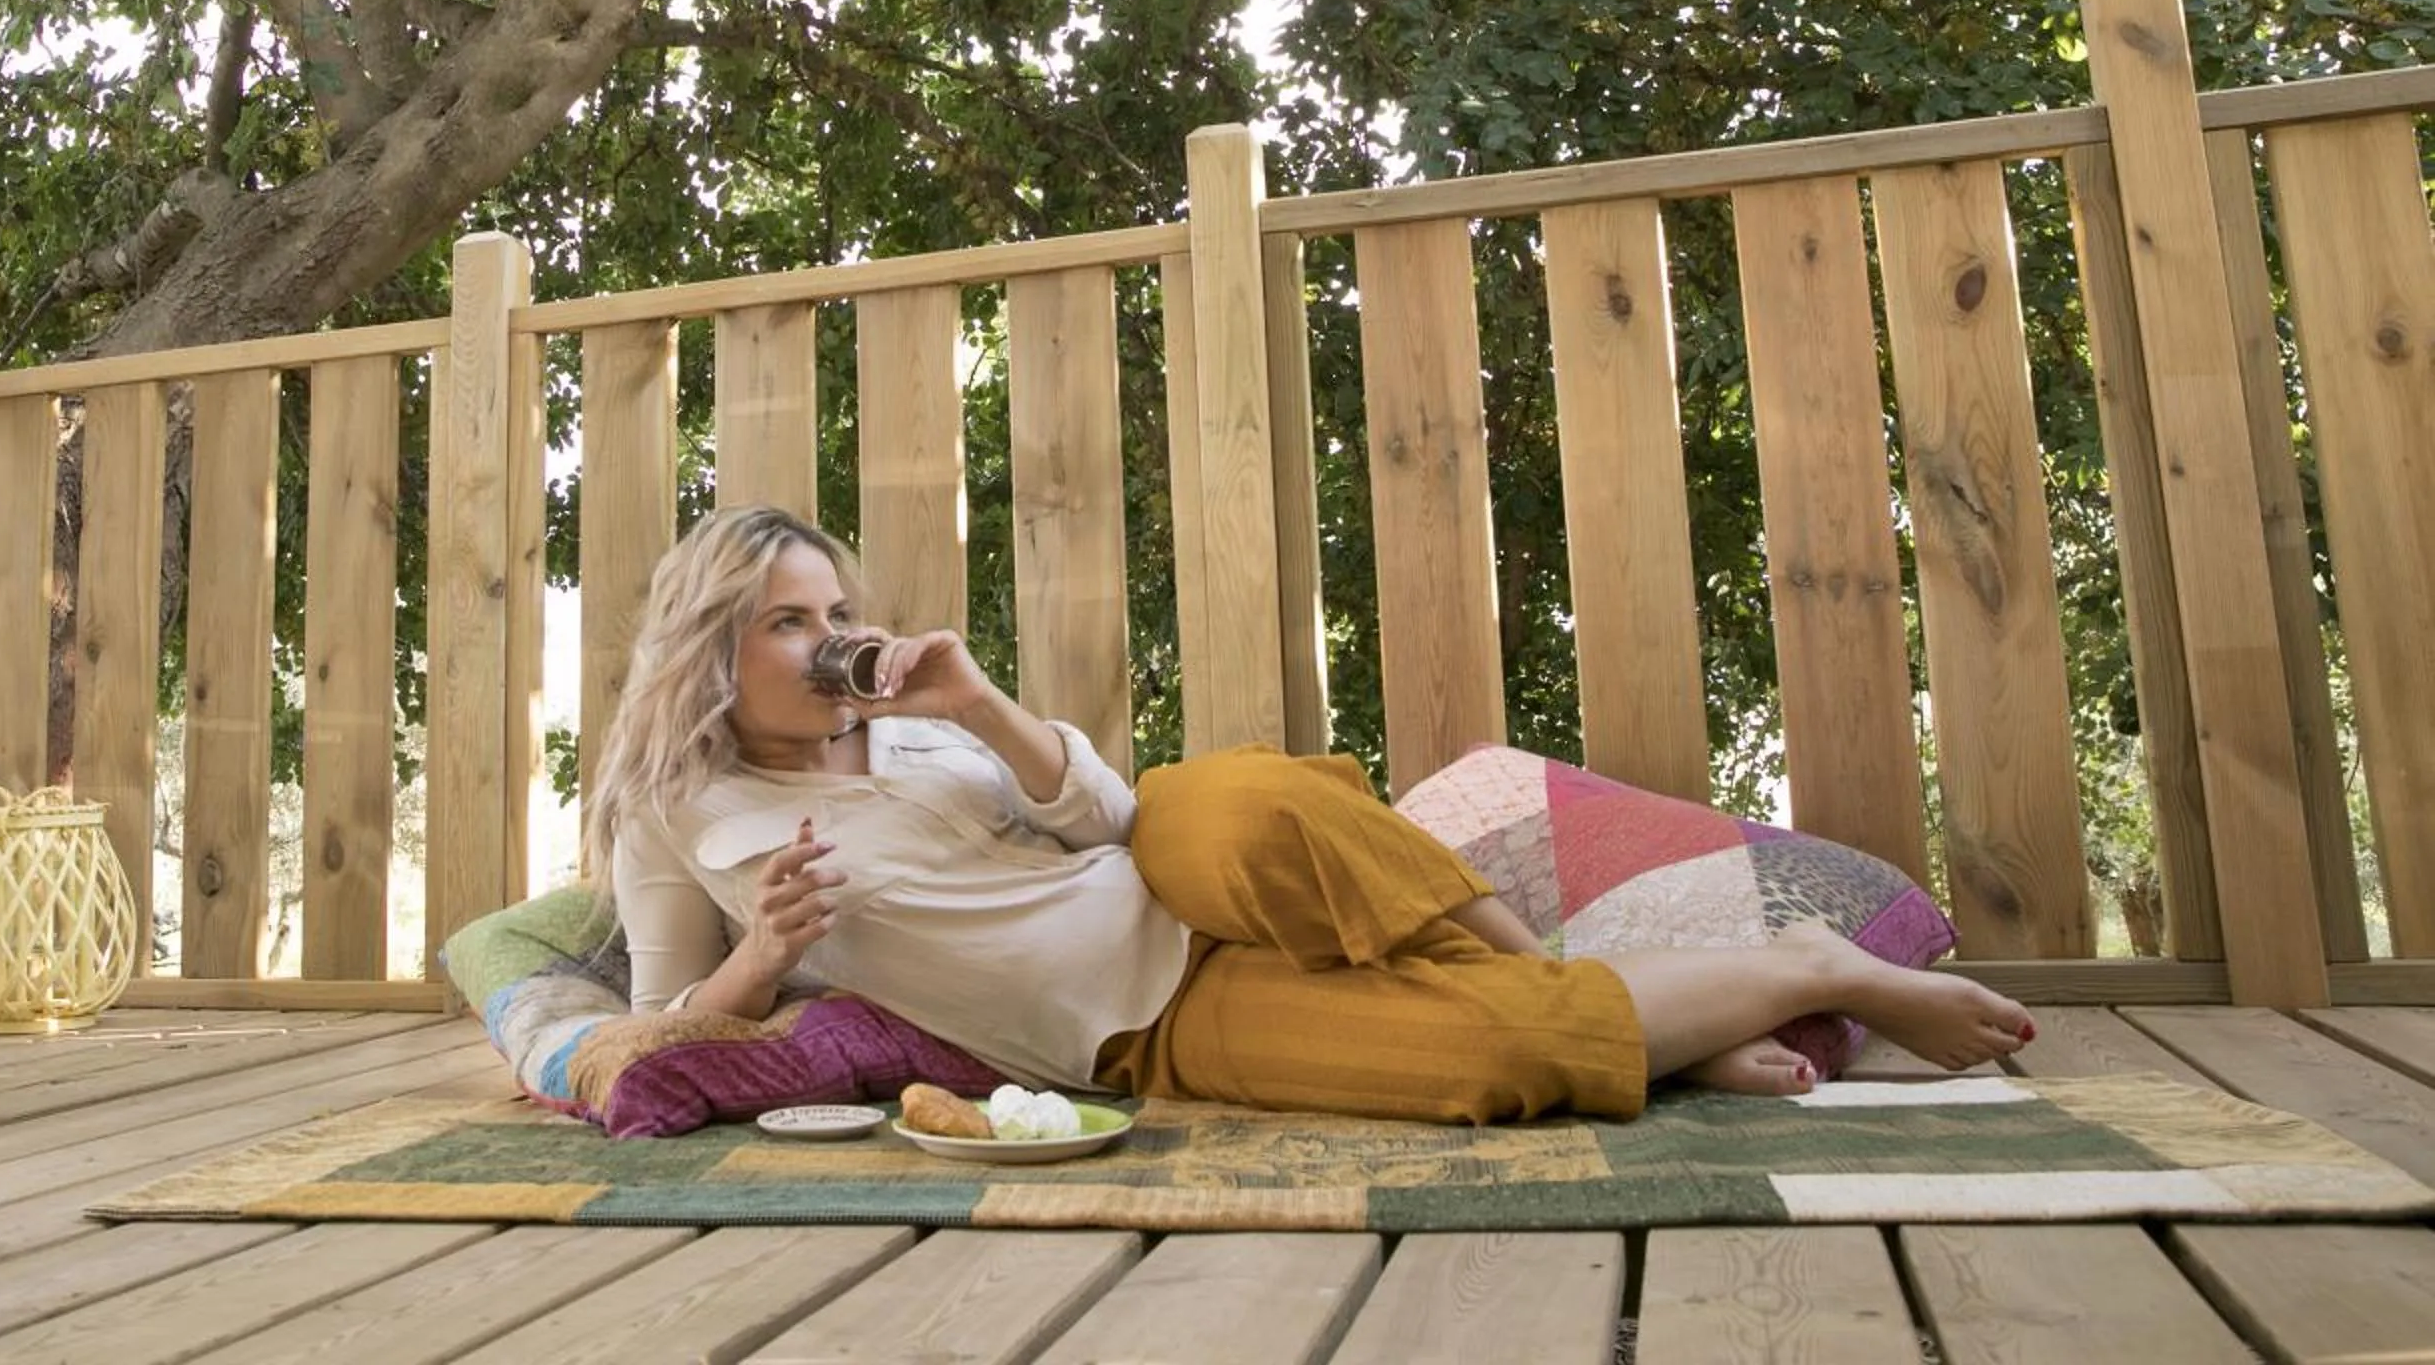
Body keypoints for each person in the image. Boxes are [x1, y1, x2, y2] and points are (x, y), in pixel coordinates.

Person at [583, 505, 2034, 1125]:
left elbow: (1099, 817)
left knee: (1265, 796)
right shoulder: (674, 812)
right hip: (1135, 1033)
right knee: (1495, 1065)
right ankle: (1821, 972)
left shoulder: (911, 725)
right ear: (712, 642)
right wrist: (758, 968)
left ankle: (1571, 981)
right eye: (788, 622)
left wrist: (973, 707)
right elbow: (643, 1041)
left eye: (838, 611)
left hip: (1169, 866)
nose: (831, 641)